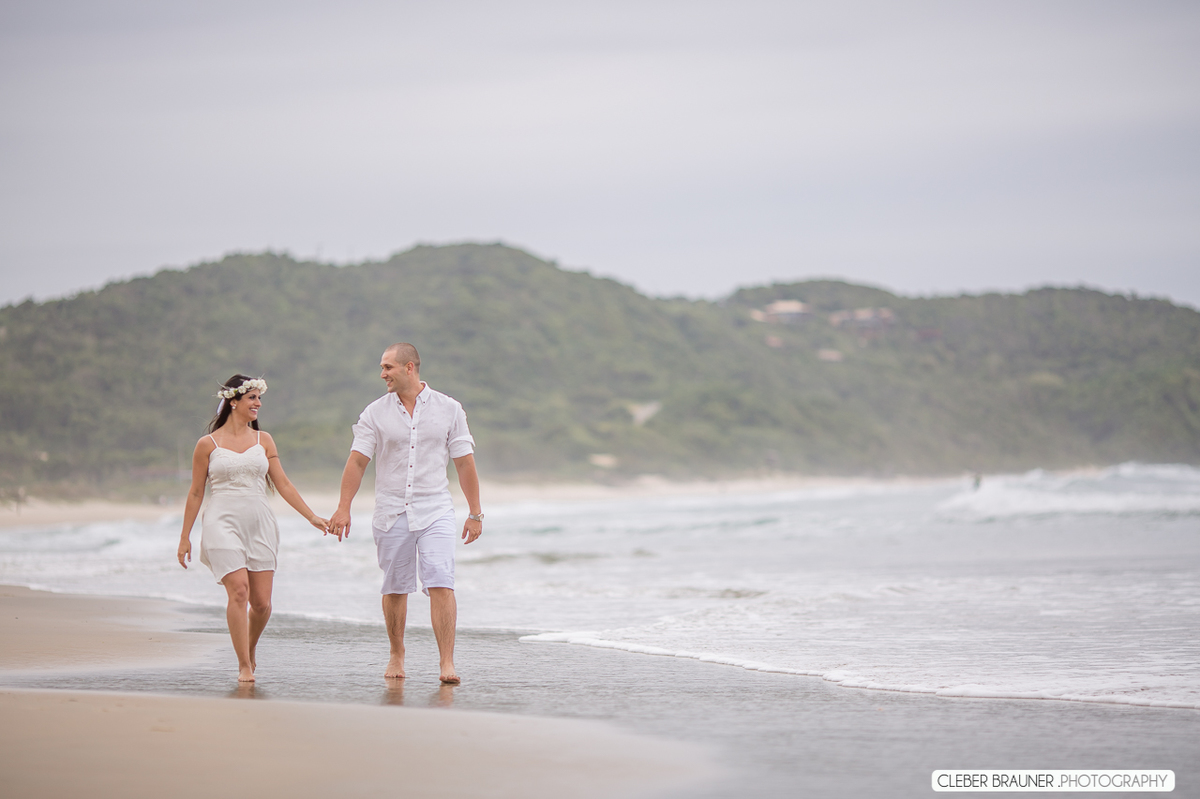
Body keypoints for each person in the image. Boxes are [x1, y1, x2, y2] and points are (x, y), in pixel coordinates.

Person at [327, 343, 483, 684]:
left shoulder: (449, 409)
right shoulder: (374, 413)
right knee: (395, 587)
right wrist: (343, 507)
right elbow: (357, 461)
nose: (382, 374)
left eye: (388, 367)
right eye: (382, 368)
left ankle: (447, 663)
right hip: (391, 510)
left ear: (409, 367)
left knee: (441, 580)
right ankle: (397, 654)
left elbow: (464, 462)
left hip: (435, 508)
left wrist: (475, 513)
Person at [177, 374, 329, 682]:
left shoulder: (264, 440)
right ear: (233, 402)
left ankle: (250, 646)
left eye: (260, 398)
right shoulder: (207, 444)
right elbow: (195, 493)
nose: (258, 403)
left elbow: (283, 484)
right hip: (221, 521)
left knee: (261, 604)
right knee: (239, 592)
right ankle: (244, 665)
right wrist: (185, 537)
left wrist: (311, 517)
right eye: (252, 398)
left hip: (260, 522)